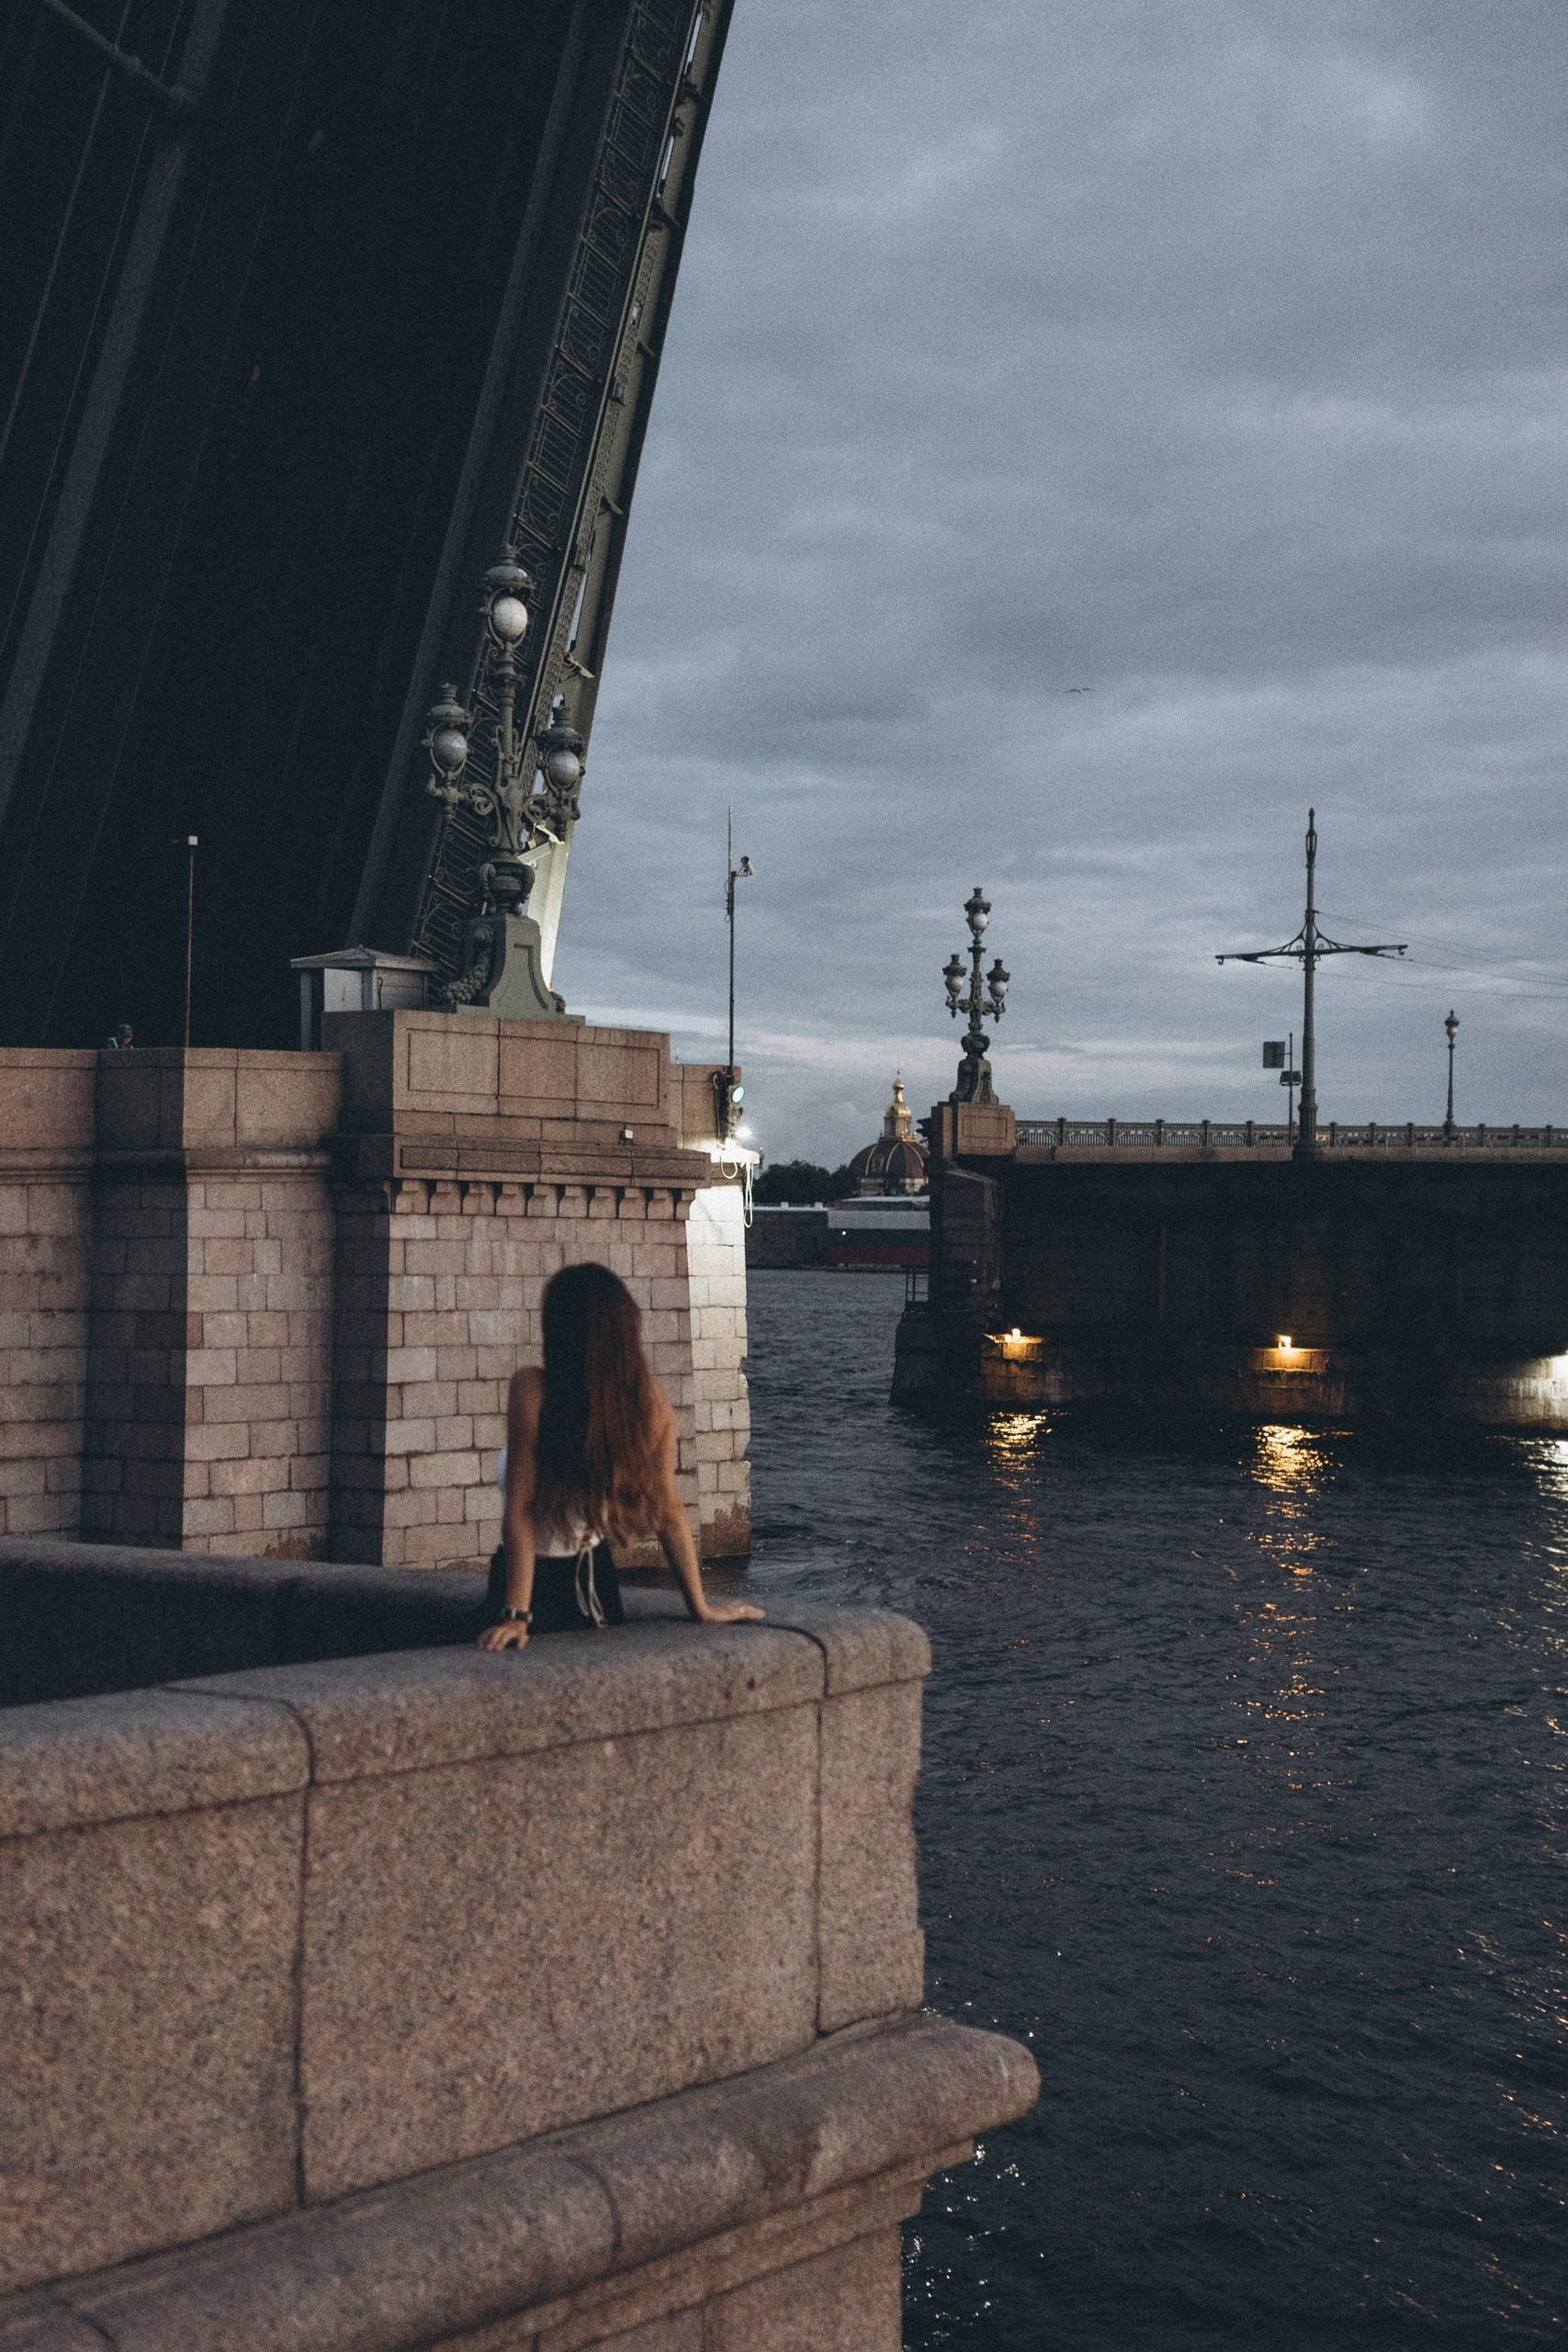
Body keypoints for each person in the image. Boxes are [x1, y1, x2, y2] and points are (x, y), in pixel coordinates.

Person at [478, 1261, 763, 1651]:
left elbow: (522, 1508)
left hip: (533, 1584)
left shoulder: (533, 1390)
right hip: (586, 1580)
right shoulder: (647, 1403)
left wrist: (517, 1614)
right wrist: (700, 1607)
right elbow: (669, 1511)